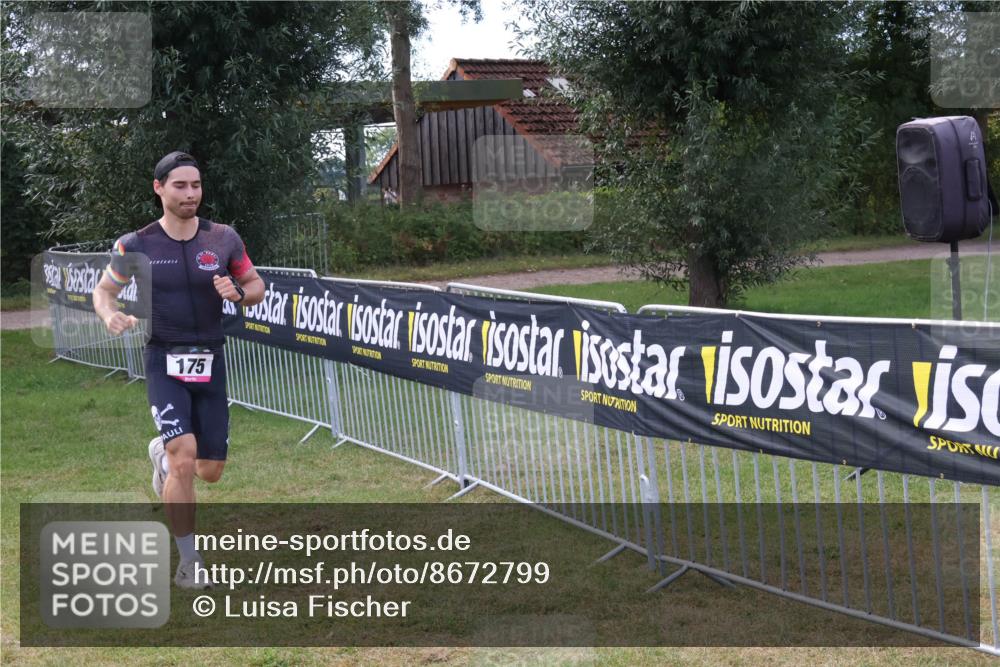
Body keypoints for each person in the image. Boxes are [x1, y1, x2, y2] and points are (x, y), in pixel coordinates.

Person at [92, 151, 265, 588]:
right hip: (163, 358)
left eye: (196, 186)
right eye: (180, 186)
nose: (190, 194)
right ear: (159, 188)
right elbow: (104, 291)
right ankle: (190, 563)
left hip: (212, 358)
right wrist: (109, 314)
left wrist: (238, 293)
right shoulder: (138, 244)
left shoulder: (223, 239)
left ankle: (161, 456)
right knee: (184, 457)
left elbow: (256, 285)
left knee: (210, 470)